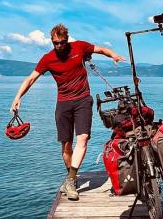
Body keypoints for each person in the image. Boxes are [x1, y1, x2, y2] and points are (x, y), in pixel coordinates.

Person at [10, 23, 125, 201]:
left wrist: (114, 55)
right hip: (63, 104)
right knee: (66, 146)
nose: (59, 46)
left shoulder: (79, 46)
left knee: (83, 138)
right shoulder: (48, 58)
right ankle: (71, 175)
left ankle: (71, 180)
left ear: (67, 39)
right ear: (52, 41)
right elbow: (31, 79)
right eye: (55, 43)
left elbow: (100, 49)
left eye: (62, 42)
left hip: (83, 100)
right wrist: (18, 97)